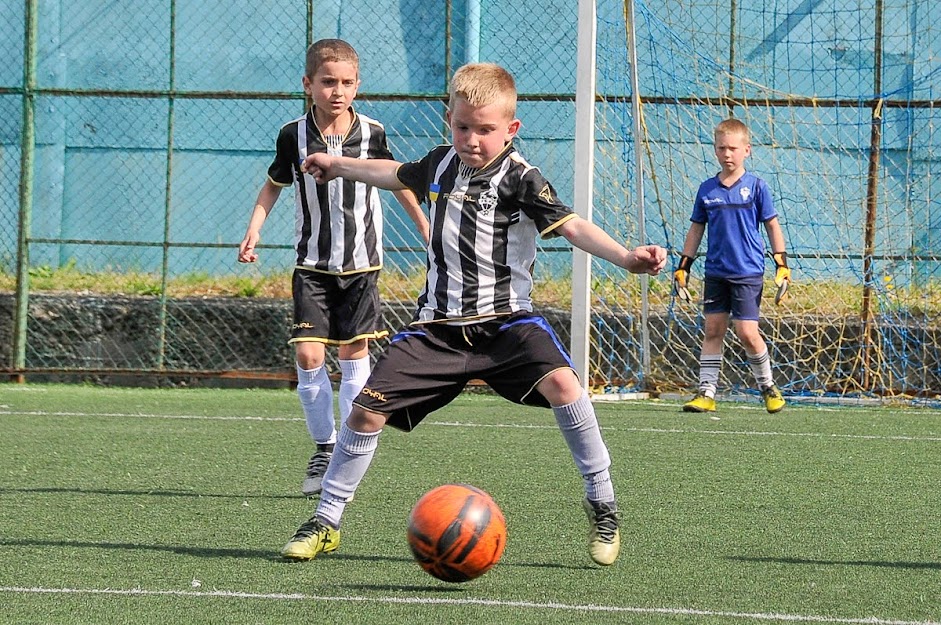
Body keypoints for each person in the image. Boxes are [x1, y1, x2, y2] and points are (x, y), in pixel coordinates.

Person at [278, 62, 668, 567]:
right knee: (365, 410)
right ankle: (326, 520)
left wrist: (626, 258)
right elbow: (394, 173)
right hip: (436, 328)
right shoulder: (440, 164)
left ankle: (603, 504)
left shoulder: (522, 178)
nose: (472, 139)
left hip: (507, 324)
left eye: (485, 130)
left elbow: (572, 227)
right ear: (450, 120)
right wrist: (340, 166)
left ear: (511, 129)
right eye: (463, 127)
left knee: (568, 387)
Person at [238, 39, 430, 497]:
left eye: (346, 83)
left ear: (357, 85)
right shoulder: (292, 135)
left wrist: (425, 226)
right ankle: (324, 446)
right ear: (308, 85)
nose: (337, 91)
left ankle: (345, 447)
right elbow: (273, 186)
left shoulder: (372, 132)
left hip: (362, 265)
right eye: (328, 82)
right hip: (312, 264)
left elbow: (398, 181)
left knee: (352, 356)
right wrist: (254, 229)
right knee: (308, 354)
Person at [672, 117, 790, 414]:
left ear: (746, 150)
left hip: (748, 272)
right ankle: (706, 392)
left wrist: (781, 263)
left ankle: (767, 386)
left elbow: (772, 226)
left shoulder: (757, 188)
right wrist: (683, 266)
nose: (727, 154)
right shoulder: (706, 190)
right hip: (715, 272)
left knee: (747, 332)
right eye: (722, 148)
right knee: (713, 330)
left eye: (733, 148)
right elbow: (696, 229)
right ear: (715, 151)